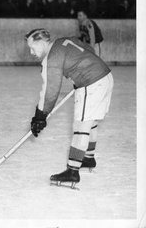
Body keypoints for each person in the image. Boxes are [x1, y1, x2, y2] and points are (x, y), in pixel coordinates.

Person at [25, 28, 113, 189]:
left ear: (42, 42)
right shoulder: (63, 41)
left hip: (91, 83)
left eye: (32, 47)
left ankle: (73, 171)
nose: (31, 52)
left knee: (81, 126)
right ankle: (89, 157)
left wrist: (40, 116)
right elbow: (88, 49)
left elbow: (50, 91)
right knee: (90, 120)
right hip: (105, 77)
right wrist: (80, 69)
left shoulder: (51, 58)